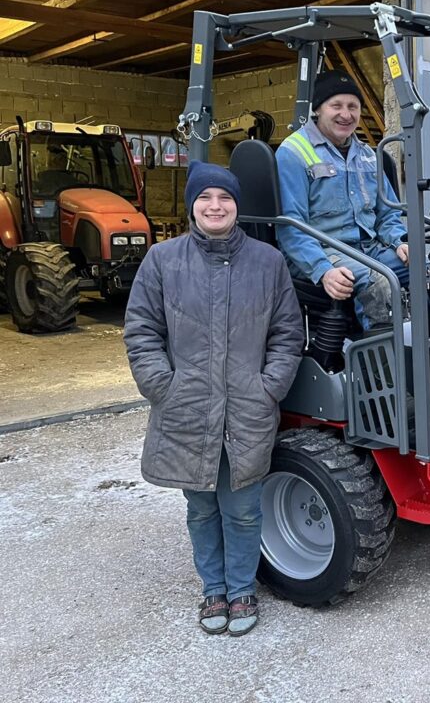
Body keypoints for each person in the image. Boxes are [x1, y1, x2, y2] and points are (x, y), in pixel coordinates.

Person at [123, 162, 303, 636]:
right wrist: (164, 386)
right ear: (192, 206)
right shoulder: (162, 261)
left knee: (243, 506)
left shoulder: (268, 262)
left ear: (237, 206)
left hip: (247, 407)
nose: (215, 206)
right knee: (201, 506)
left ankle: (242, 589)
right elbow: (142, 332)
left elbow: (287, 335)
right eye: (206, 198)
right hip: (187, 408)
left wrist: (268, 388)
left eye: (224, 198)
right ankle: (213, 590)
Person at [275, 71, 409, 329]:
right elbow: (292, 228)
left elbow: (388, 213)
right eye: (336, 105)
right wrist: (323, 269)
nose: (346, 115)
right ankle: (388, 365)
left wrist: (400, 241)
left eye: (353, 107)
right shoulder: (293, 153)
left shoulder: (368, 155)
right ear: (318, 110)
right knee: (379, 281)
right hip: (321, 252)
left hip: (368, 249)